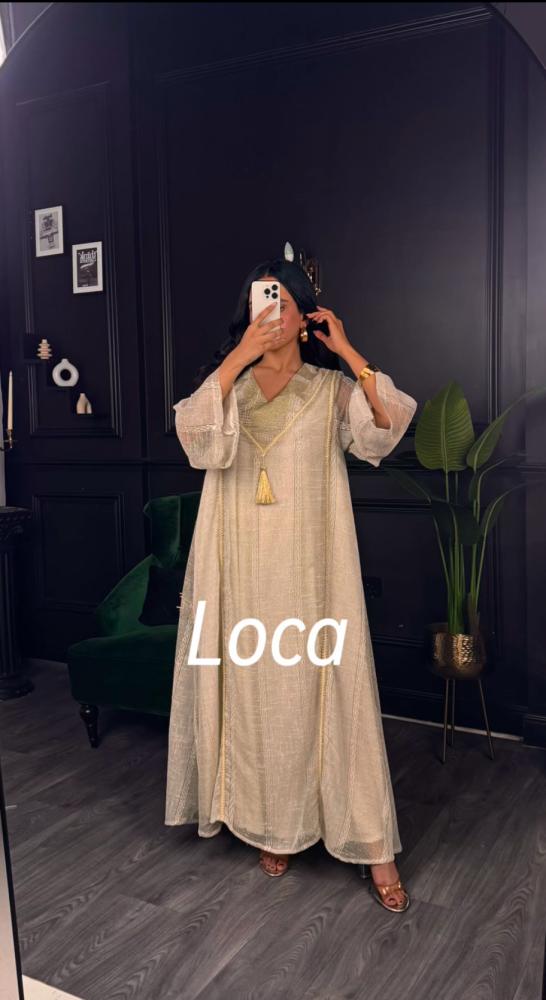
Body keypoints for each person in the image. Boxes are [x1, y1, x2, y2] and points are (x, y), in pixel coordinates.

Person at [165, 258, 418, 913]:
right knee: (257, 695)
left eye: (282, 306)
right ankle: (270, 824)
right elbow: (194, 438)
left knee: (332, 693)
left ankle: (374, 844)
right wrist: (240, 357)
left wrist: (348, 349)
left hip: (313, 573)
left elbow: (387, 425)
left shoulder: (330, 390)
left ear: (306, 316)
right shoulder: (227, 388)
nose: (271, 317)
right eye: (261, 306)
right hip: (238, 567)